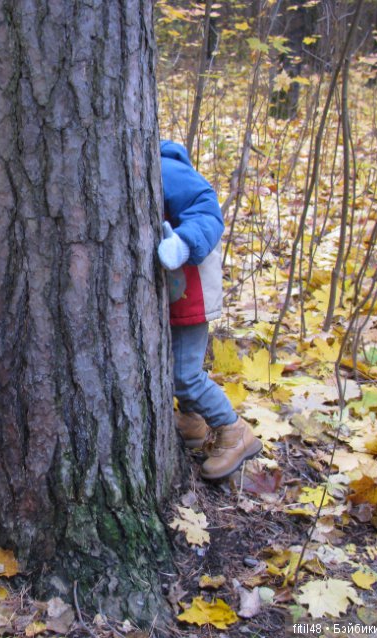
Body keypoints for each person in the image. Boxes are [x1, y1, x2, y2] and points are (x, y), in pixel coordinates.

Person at [156, 141, 262, 480]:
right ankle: (191, 422)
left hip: (190, 294)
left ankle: (233, 431)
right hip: (174, 294)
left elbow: (206, 210)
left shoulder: (165, 168)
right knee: (173, 362)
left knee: (183, 375)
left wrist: (184, 242)